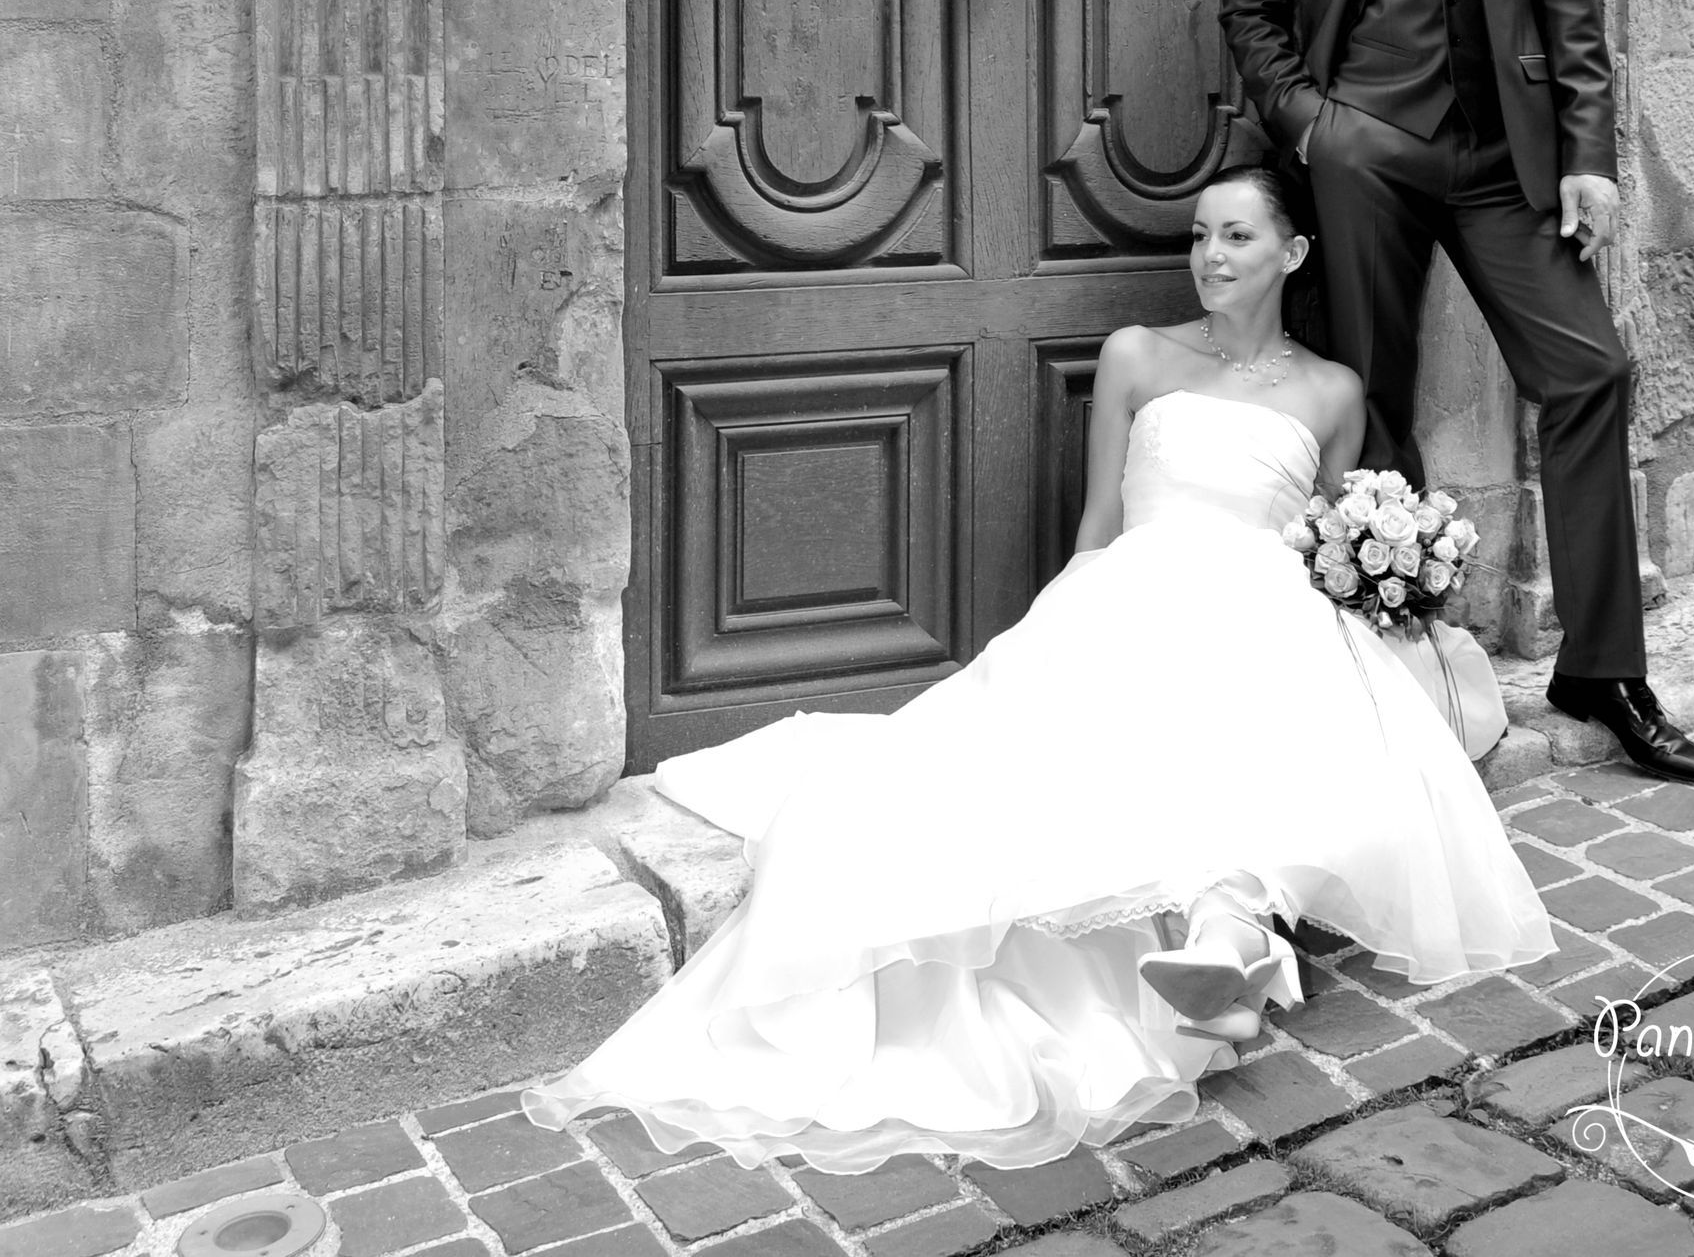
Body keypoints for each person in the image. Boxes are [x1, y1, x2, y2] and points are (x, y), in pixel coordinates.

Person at [523, 170, 1551, 1173]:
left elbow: (1325, 538)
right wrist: (1058, 629)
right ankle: (1231, 936)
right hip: (1140, 587)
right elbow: (1101, 522)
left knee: (1253, 697)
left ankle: (1228, 929)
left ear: (1293, 252)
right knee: (1119, 723)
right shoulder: (1137, 353)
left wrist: (1381, 576)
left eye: (1235, 235)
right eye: (1198, 235)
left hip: (1268, 607)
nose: (1209, 255)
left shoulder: (1332, 390)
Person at [1220, 0, 1694, 788]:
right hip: (1367, 151)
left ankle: (1603, 669)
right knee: (1375, 398)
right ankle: (1397, 676)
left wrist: (1589, 156)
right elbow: (1251, 6)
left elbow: (1567, 0)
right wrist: (1315, 128)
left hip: (1505, 161)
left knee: (1591, 372)